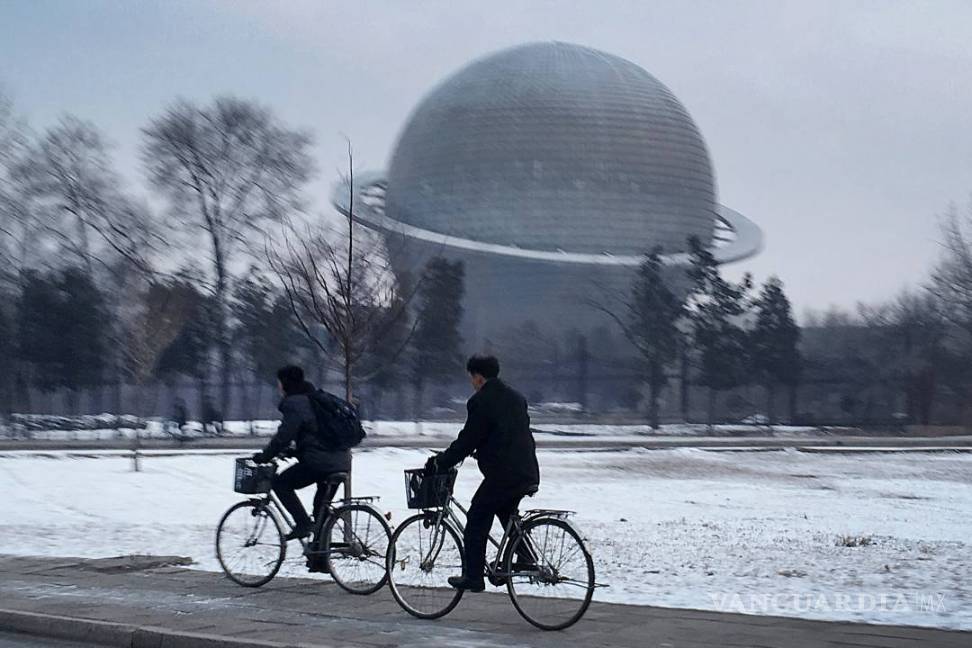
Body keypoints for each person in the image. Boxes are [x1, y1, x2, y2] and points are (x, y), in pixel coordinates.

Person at [426, 355, 540, 592]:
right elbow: (506, 433)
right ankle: (526, 556)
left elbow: (468, 439)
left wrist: (442, 462)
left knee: (477, 518)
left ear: (478, 377)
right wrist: (486, 450)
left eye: (472, 378)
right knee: (505, 511)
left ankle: (474, 577)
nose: (472, 382)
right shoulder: (516, 397)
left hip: (504, 474)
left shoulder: (481, 401)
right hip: (526, 469)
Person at [252, 365, 351, 542]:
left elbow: (284, 436)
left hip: (320, 463)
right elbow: (317, 435)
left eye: (279, 382)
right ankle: (320, 554)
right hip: (341, 461)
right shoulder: (315, 399)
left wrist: (265, 456)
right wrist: (296, 451)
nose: (278, 386)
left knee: (280, 483)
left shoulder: (295, 403)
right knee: (320, 510)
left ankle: (303, 524)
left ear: (285, 382)